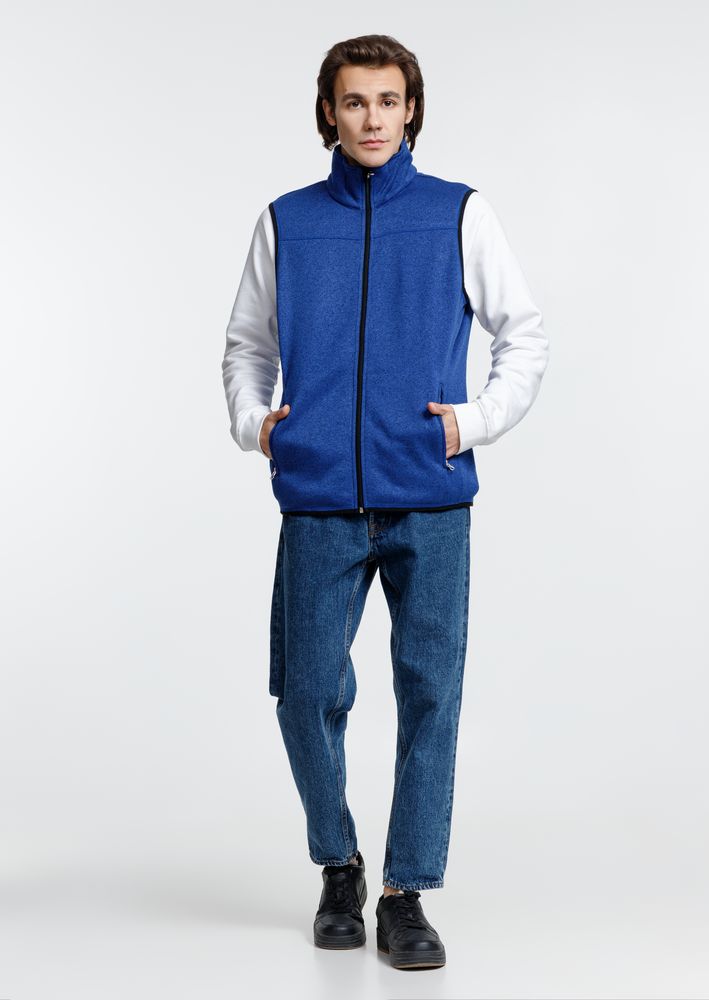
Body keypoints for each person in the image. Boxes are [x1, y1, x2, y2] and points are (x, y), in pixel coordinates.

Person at [222, 33, 549, 970]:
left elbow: (524, 335)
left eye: (389, 100)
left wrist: (473, 422)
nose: (373, 118)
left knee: (430, 692)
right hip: (319, 495)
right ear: (329, 112)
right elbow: (247, 344)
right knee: (306, 693)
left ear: (412, 110)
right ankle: (340, 865)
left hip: (430, 499)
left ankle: (407, 892)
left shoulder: (458, 213)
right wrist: (257, 424)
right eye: (355, 101)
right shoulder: (286, 221)